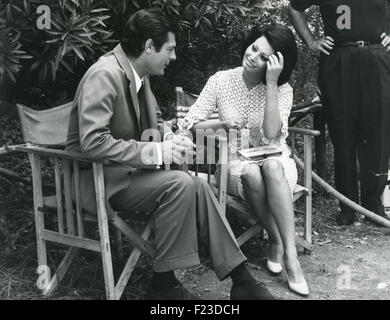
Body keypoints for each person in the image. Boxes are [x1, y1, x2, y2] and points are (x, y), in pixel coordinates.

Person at [66, 9, 275, 300]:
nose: (173, 57)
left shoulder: (138, 75)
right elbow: (92, 142)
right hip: (95, 181)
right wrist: (155, 150)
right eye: (170, 49)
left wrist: (169, 138)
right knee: (181, 184)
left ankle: (240, 280)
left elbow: (150, 126)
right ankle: (164, 286)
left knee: (198, 185)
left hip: (123, 175)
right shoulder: (105, 75)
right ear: (149, 47)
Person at [181, 24, 309, 296]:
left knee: (273, 165)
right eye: (254, 48)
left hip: (276, 162)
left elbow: (272, 135)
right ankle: (277, 240)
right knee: (251, 172)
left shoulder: (283, 89)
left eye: (263, 56)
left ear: (275, 63)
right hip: (236, 164)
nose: (253, 56)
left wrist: (272, 84)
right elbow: (190, 123)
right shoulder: (221, 81)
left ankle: (290, 256)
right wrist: (222, 123)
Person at [288, 0, 390, 226]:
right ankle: (347, 206)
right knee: (342, 133)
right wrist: (311, 42)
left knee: (378, 132)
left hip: (376, 56)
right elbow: (294, 7)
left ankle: (373, 205)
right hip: (338, 58)